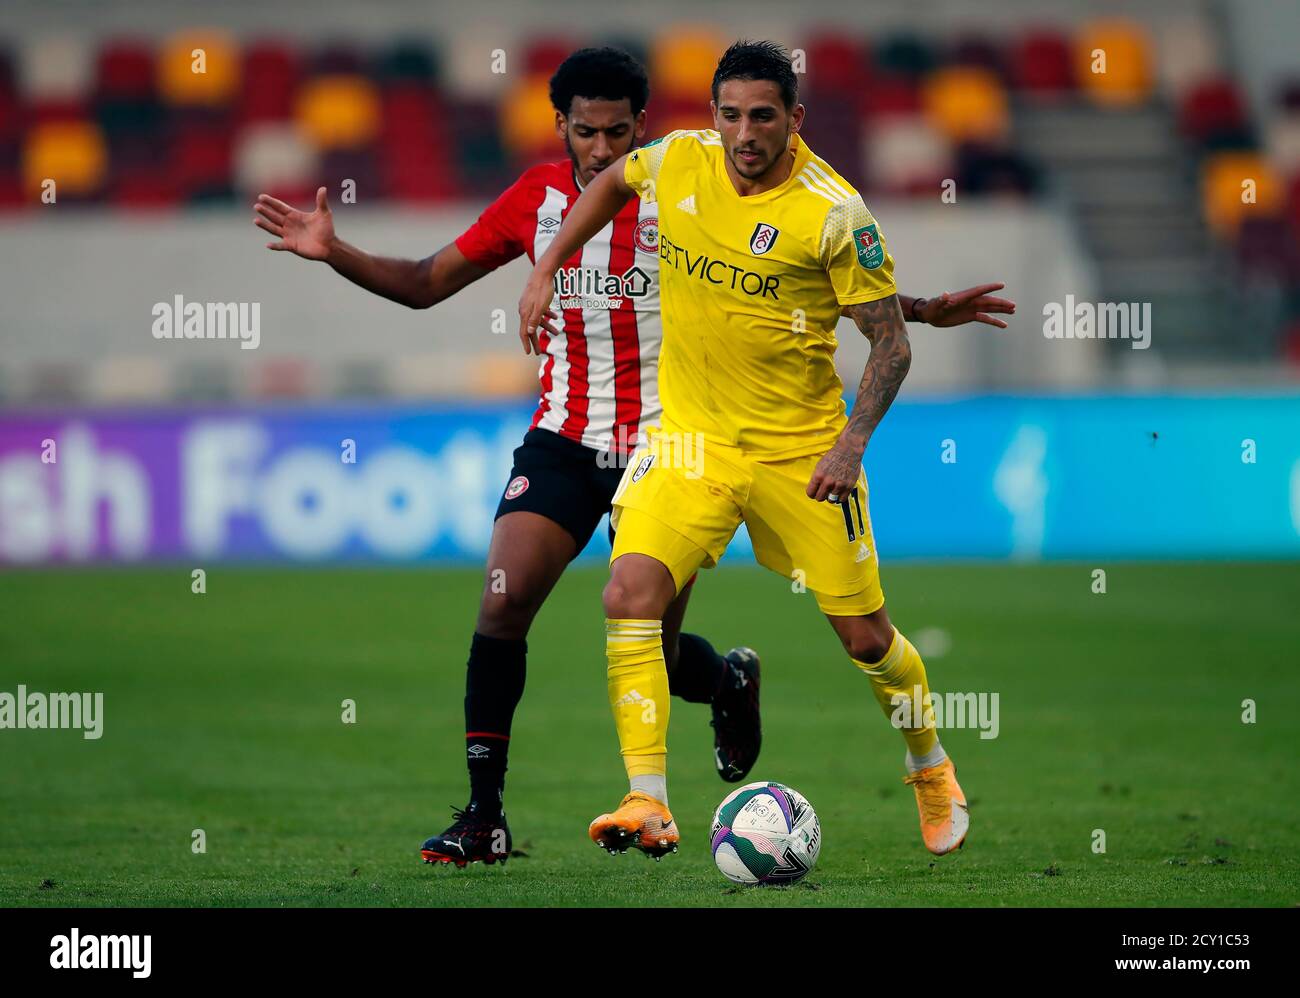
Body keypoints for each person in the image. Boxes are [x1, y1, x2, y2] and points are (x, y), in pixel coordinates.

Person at [517, 40, 1015, 859]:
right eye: (730, 114)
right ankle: (648, 800)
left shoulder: (835, 210)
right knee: (627, 592)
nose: (744, 133)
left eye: (762, 116)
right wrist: (547, 267)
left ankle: (929, 764)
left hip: (803, 450)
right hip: (690, 440)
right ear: (712, 114)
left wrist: (851, 446)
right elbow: (611, 181)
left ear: (795, 119)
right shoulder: (678, 159)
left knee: (867, 640)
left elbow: (887, 346)